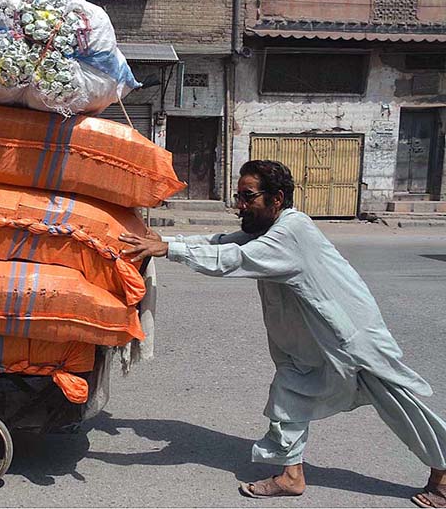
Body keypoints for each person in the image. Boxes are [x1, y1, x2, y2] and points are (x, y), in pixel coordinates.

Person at [119, 160, 446, 507]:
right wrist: (166, 241)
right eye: (238, 196)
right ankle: (291, 476)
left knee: (398, 405)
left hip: (349, 340)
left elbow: (234, 259)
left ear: (276, 198)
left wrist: (169, 249)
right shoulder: (267, 228)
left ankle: (443, 475)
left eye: (248, 196)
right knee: (288, 395)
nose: (240, 205)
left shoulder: (290, 232)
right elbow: (221, 241)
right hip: (308, 343)